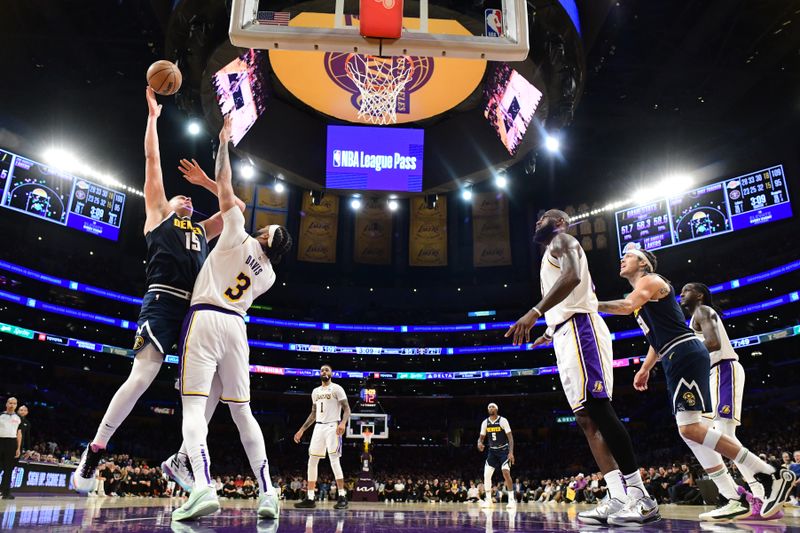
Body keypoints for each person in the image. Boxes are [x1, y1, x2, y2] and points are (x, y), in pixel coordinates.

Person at [73, 87, 246, 493]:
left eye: (189, 196)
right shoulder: (157, 217)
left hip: (194, 313)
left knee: (214, 389)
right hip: (162, 302)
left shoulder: (203, 232)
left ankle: (184, 459)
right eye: (179, 194)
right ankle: (95, 452)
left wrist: (206, 180)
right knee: (142, 377)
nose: (184, 197)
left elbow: (235, 209)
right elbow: (152, 161)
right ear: (166, 203)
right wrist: (153, 118)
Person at [598, 246, 797, 521]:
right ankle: (733, 496)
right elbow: (657, 339)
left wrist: (587, 303)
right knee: (689, 431)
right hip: (672, 355)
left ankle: (768, 475)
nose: (622, 259)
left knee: (692, 427)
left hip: (685, 353)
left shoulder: (651, 281)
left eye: (628, 255)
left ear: (643, 262)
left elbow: (626, 306)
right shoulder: (644, 296)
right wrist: (645, 368)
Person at [171, 115, 292, 522]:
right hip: (237, 330)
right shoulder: (270, 276)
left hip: (205, 319)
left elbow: (228, 189)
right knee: (243, 414)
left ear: (263, 236)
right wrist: (211, 183)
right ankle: (268, 492)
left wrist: (223, 143)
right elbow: (231, 200)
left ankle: (202, 485)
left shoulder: (238, 232)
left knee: (192, 408)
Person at [505, 209, 659, 525]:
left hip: (580, 328)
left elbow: (573, 277)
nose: (537, 222)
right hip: (565, 332)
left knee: (599, 408)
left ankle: (641, 496)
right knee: (586, 419)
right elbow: (572, 293)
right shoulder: (551, 252)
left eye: (545, 217)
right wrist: (549, 331)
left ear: (560, 222)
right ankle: (617, 497)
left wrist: (534, 313)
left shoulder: (563, 239)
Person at [681, 282, 781, 519]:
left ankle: (760, 493)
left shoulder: (703, 310)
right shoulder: (694, 318)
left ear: (700, 295)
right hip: (711, 376)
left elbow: (713, 343)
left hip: (724, 369)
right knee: (706, 436)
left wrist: (683, 354)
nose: (681, 294)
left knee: (725, 436)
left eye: (686, 290)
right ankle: (741, 495)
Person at [293, 364, 352, 510]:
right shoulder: (315, 391)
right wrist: (301, 430)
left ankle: (342, 496)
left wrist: (343, 423)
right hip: (318, 426)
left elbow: (347, 408)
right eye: (322, 370)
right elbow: (313, 414)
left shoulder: (337, 388)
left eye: (327, 370)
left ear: (332, 373)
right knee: (312, 460)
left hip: (333, 425)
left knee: (334, 460)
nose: (324, 371)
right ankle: (310, 497)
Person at [477, 402, 516, 508]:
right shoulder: (485, 423)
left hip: (504, 450)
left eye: (492, 406)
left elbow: (510, 438)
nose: (490, 408)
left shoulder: (503, 420)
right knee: (486, 475)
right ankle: (488, 500)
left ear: (496, 409)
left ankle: (511, 500)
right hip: (492, 451)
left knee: (506, 473)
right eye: (489, 407)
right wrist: (479, 443)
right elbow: (481, 438)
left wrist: (511, 452)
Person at [0, 397, 22, 499]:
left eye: (14, 403)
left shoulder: (18, 418)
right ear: (6, 404)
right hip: (1, 440)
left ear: (16, 405)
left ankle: (5, 492)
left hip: (11, 443)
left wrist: (18, 448)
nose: (12, 405)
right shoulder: (1, 415)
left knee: (8, 470)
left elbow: (19, 434)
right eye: (10, 403)